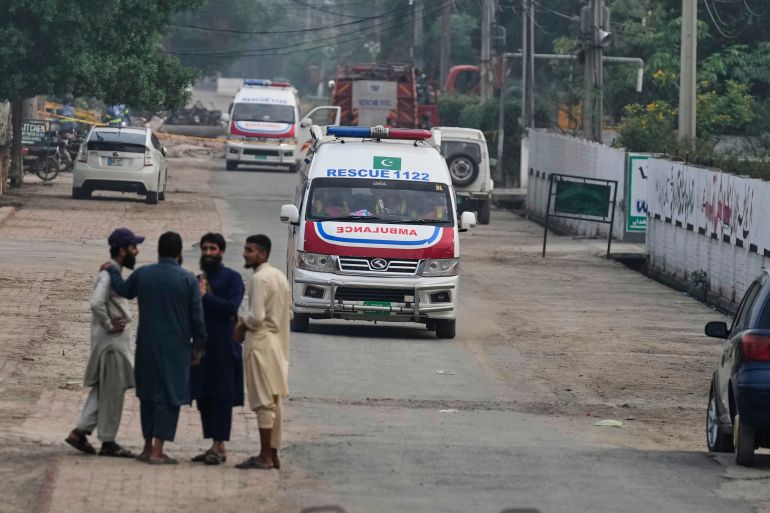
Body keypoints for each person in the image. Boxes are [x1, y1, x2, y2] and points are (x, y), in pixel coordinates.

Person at [102, 231, 207, 465]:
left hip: (147, 345)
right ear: (179, 253)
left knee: (148, 394)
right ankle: (158, 451)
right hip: (176, 349)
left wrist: (111, 270)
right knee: (169, 396)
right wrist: (199, 347)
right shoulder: (188, 280)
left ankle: (147, 447)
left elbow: (123, 290)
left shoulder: (144, 274)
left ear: (159, 251)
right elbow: (197, 319)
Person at [65, 228, 144, 458]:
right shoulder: (108, 275)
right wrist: (109, 324)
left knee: (104, 390)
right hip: (112, 344)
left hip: (112, 342)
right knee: (113, 393)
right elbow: (96, 302)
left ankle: (80, 432)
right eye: (133, 247)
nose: (136, 252)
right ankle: (108, 441)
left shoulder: (112, 272)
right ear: (122, 250)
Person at [234, 235, 291, 470]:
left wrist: (241, 324)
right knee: (274, 401)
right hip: (277, 345)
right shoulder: (279, 277)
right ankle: (273, 454)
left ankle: (265, 456)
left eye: (250, 250)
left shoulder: (259, 278)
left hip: (261, 344)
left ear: (263, 254)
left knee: (263, 402)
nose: (245, 254)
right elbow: (288, 313)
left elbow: (257, 317)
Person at [190, 233, 245, 466]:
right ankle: (215, 445)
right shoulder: (197, 280)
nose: (208, 253)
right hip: (202, 348)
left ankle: (219, 444)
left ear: (221, 252)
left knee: (222, 395)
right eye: (205, 248)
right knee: (203, 395)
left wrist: (205, 296)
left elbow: (230, 308)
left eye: (212, 249)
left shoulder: (233, 279)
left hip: (224, 347)